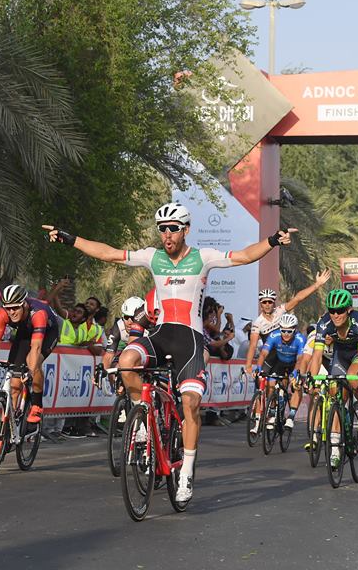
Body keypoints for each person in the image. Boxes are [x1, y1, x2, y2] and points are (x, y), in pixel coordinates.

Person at [43, 203, 295, 503]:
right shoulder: (153, 257)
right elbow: (108, 253)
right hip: (161, 335)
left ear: (185, 230)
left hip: (189, 339)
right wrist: (71, 239)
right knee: (127, 361)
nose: (167, 235)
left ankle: (186, 471)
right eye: (162, 229)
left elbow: (244, 256)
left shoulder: (203, 258)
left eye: (173, 228)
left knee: (190, 404)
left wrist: (273, 240)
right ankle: (141, 420)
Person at [0, 285, 60, 455]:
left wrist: (30, 370)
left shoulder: (38, 313)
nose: (11, 312)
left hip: (48, 331)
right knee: (13, 385)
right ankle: (4, 438)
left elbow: (35, 348)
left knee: (32, 361)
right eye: (8, 308)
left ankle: (36, 404)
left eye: (15, 308)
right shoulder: (3, 313)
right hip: (24, 331)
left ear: (24, 304)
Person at [308, 289, 358, 468]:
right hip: (340, 355)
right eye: (332, 310)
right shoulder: (324, 323)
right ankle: (335, 450)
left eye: (340, 310)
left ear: (348, 309)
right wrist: (313, 378)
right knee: (335, 394)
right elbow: (317, 354)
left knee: (353, 380)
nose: (335, 314)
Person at [244, 269, 332, 374]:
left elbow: (297, 298)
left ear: (274, 303)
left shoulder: (280, 311)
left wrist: (316, 285)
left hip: (290, 353)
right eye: (264, 302)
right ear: (261, 304)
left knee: (297, 377)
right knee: (262, 380)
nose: (267, 304)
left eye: (270, 302)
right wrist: (248, 364)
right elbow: (253, 345)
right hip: (272, 355)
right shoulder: (258, 323)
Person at [252, 313, 306, 431]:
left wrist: (295, 374)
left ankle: (291, 416)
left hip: (294, 364)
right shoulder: (274, 335)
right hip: (280, 362)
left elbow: (300, 359)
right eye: (283, 330)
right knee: (270, 385)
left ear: (295, 330)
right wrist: (258, 368)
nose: (286, 334)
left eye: (289, 331)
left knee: (297, 385)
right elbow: (264, 353)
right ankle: (272, 412)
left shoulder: (300, 339)